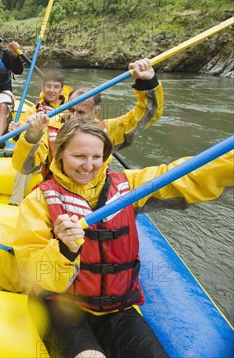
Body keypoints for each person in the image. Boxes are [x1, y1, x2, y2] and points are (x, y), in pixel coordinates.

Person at [13, 119, 233, 357]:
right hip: (59, 306)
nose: (88, 166)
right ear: (61, 154)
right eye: (79, 156)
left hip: (118, 309)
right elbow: (34, 271)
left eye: (96, 157)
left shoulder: (129, 187)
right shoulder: (39, 202)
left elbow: (189, 175)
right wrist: (64, 249)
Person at [12, 58, 163, 180]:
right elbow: (25, 167)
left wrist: (147, 83)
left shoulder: (106, 130)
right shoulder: (49, 129)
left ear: (96, 112)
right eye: (70, 110)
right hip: (59, 195)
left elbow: (146, 114)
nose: (74, 117)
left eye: (81, 112)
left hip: (95, 198)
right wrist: (32, 136)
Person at [7, 71, 70, 205]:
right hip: (38, 156)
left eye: (55, 87)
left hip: (58, 157)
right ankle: (15, 203)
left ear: (61, 90)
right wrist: (16, 132)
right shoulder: (32, 111)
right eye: (48, 86)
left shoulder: (69, 111)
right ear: (43, 88)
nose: (51, 90)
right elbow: (22, 140)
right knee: (24, 165)